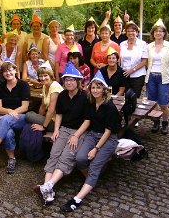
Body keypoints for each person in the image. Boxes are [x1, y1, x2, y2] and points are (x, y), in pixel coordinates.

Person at [60, 71, 119, 212]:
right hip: (92, 135)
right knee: (80, 159)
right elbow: (87, 121)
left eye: (98, 88)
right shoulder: (91, 102)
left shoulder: (110, 107)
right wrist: (77, 136)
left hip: (108, 139)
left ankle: (77, 199)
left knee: (94, 167)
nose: (95, 90)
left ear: (104, 89)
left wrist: (96, 149)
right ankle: (91, 181)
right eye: (93, 87)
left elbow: (108, 131)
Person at [33, 61, 88, 204]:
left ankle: (48, 186)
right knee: (54, 154)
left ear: (78, 81)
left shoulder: (85, 97)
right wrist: (56, 130)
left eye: (71, 80)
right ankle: (47, 189)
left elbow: (88, 120)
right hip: (64, 129)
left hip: (79, 131)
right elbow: (59, 114)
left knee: (66, 157)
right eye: (66, 80)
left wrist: (76, 135)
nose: (69, 82)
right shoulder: (63, 95)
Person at [145, 19, 169, 134]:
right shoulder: (149, 46)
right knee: (153, 103)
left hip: (164, 77)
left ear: (164, 33)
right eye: (156, 31)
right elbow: (146, 61)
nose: (158, 33)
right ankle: (155, 122)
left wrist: (168, 72)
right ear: (153, 33)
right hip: (151, 76)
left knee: (163, 103)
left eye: (160, 31)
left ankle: (165, 122)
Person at [25, 60, 63, 132]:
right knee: (32, 114)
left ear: (51, 76)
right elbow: (43, 106)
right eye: (40, 76)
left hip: (57, 122)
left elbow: (51, 110)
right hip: (50, 117)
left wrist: (43, 127)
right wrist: (39, 119)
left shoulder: (55, 87)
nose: (43, 78)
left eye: (45, 75)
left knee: (28, 115)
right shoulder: (45, 86)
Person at [120, 21, 148, 98]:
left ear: (137, 32)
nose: (130, 33)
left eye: (133, 31)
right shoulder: (122, 44)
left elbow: (145, 61)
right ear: (125, 33)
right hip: (124, 75)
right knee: (124, 97)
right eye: (128, 31)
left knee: (134, 97)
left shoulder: (143, 44)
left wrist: (132, 70)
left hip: (138, 75)